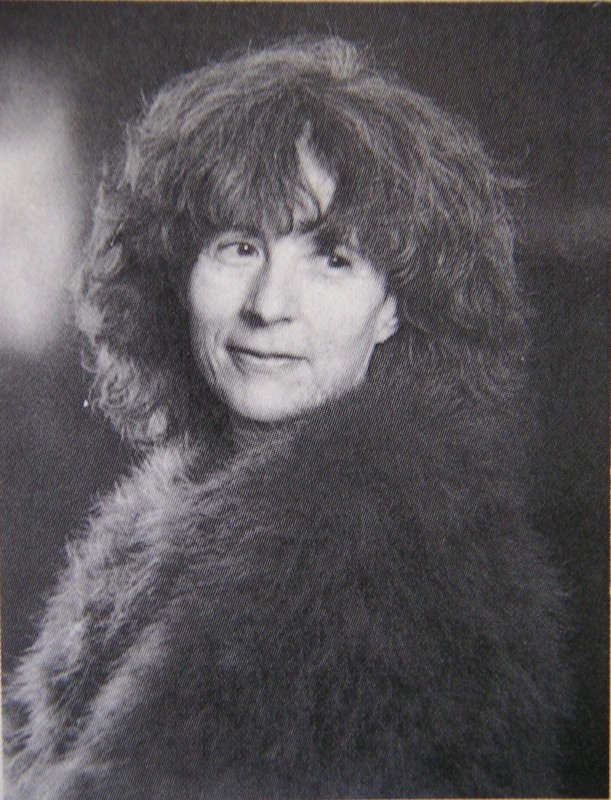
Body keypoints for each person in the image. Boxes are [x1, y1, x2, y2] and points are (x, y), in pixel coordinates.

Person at [4, 37, 570, 799]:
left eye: (332, 258)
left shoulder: (370, 556)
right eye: (239, 247)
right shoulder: (188, 509)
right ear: (178, 270)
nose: (269, 305)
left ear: (394, 306)